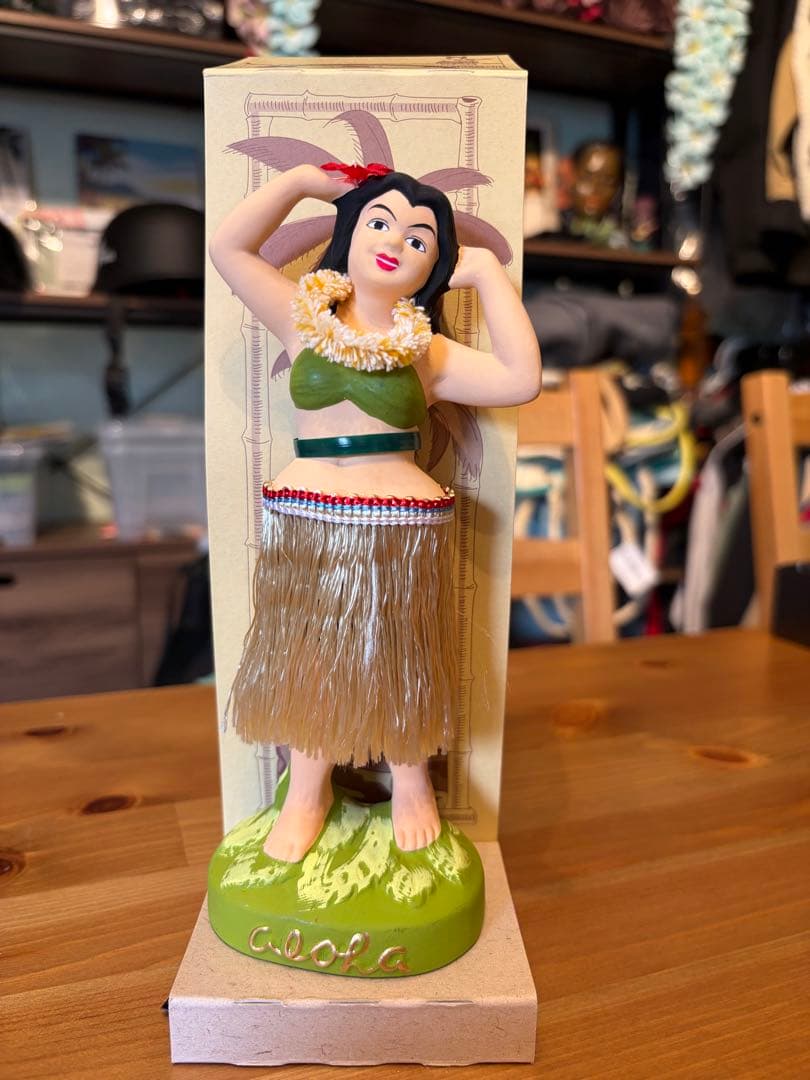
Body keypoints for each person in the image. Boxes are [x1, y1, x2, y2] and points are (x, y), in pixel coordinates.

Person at [209, 162, 541, 863]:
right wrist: (303, 181)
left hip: (396, 526)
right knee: (310, 654)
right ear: (350, 234)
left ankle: (412, 782)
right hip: (307, 517)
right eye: (380, 222)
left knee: (396, 654)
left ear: (435, 267)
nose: (395, 242)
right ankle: (307, 790)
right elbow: (228, 248)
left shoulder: (429, 351)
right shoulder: (302, 318)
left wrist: (487, 275)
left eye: (420, 239)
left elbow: (521, 378)